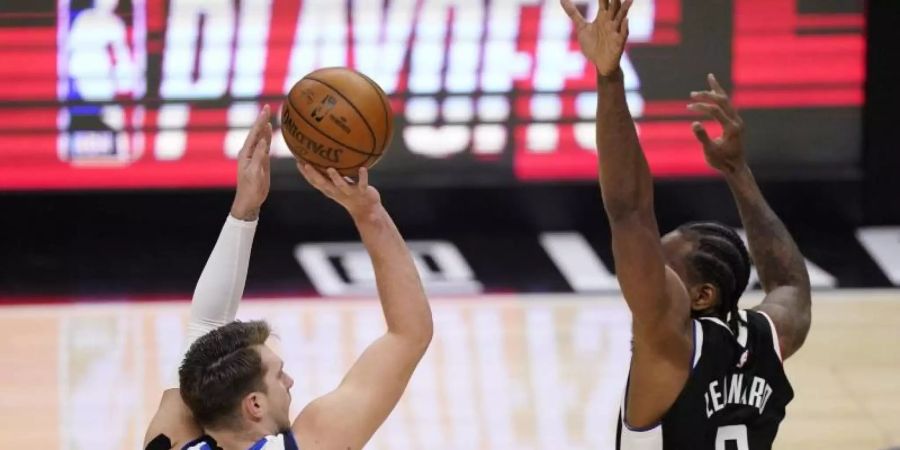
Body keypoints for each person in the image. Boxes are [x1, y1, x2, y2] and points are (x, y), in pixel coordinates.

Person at [560, 0, 812, 448]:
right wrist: (738, 172)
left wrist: (609, 77)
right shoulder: (766, 339)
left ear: (701, 296)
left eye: (664, 263)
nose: (649, 265)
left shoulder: (669, 341)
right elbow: (790, 284)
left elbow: (628, 212)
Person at [142, 105, 434, 450]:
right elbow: (409, 333)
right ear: (255, 404)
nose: (290, 381)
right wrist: (367, 212)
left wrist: (245, 209)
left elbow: (206, 325)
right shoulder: (316, 441)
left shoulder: (167, 441)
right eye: (279, 376)